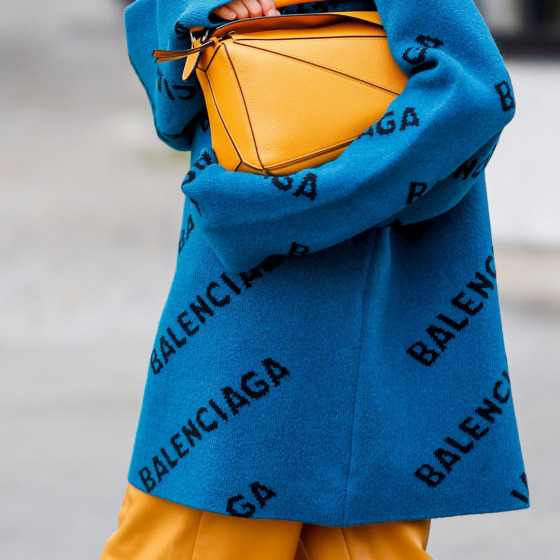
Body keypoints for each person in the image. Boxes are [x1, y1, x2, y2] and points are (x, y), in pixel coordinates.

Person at [100, 0, 529, 558]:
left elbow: (473, 89)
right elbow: (170, 103)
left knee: (194, 531)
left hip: (306, 295)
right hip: (273, 301)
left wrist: (293, 203)